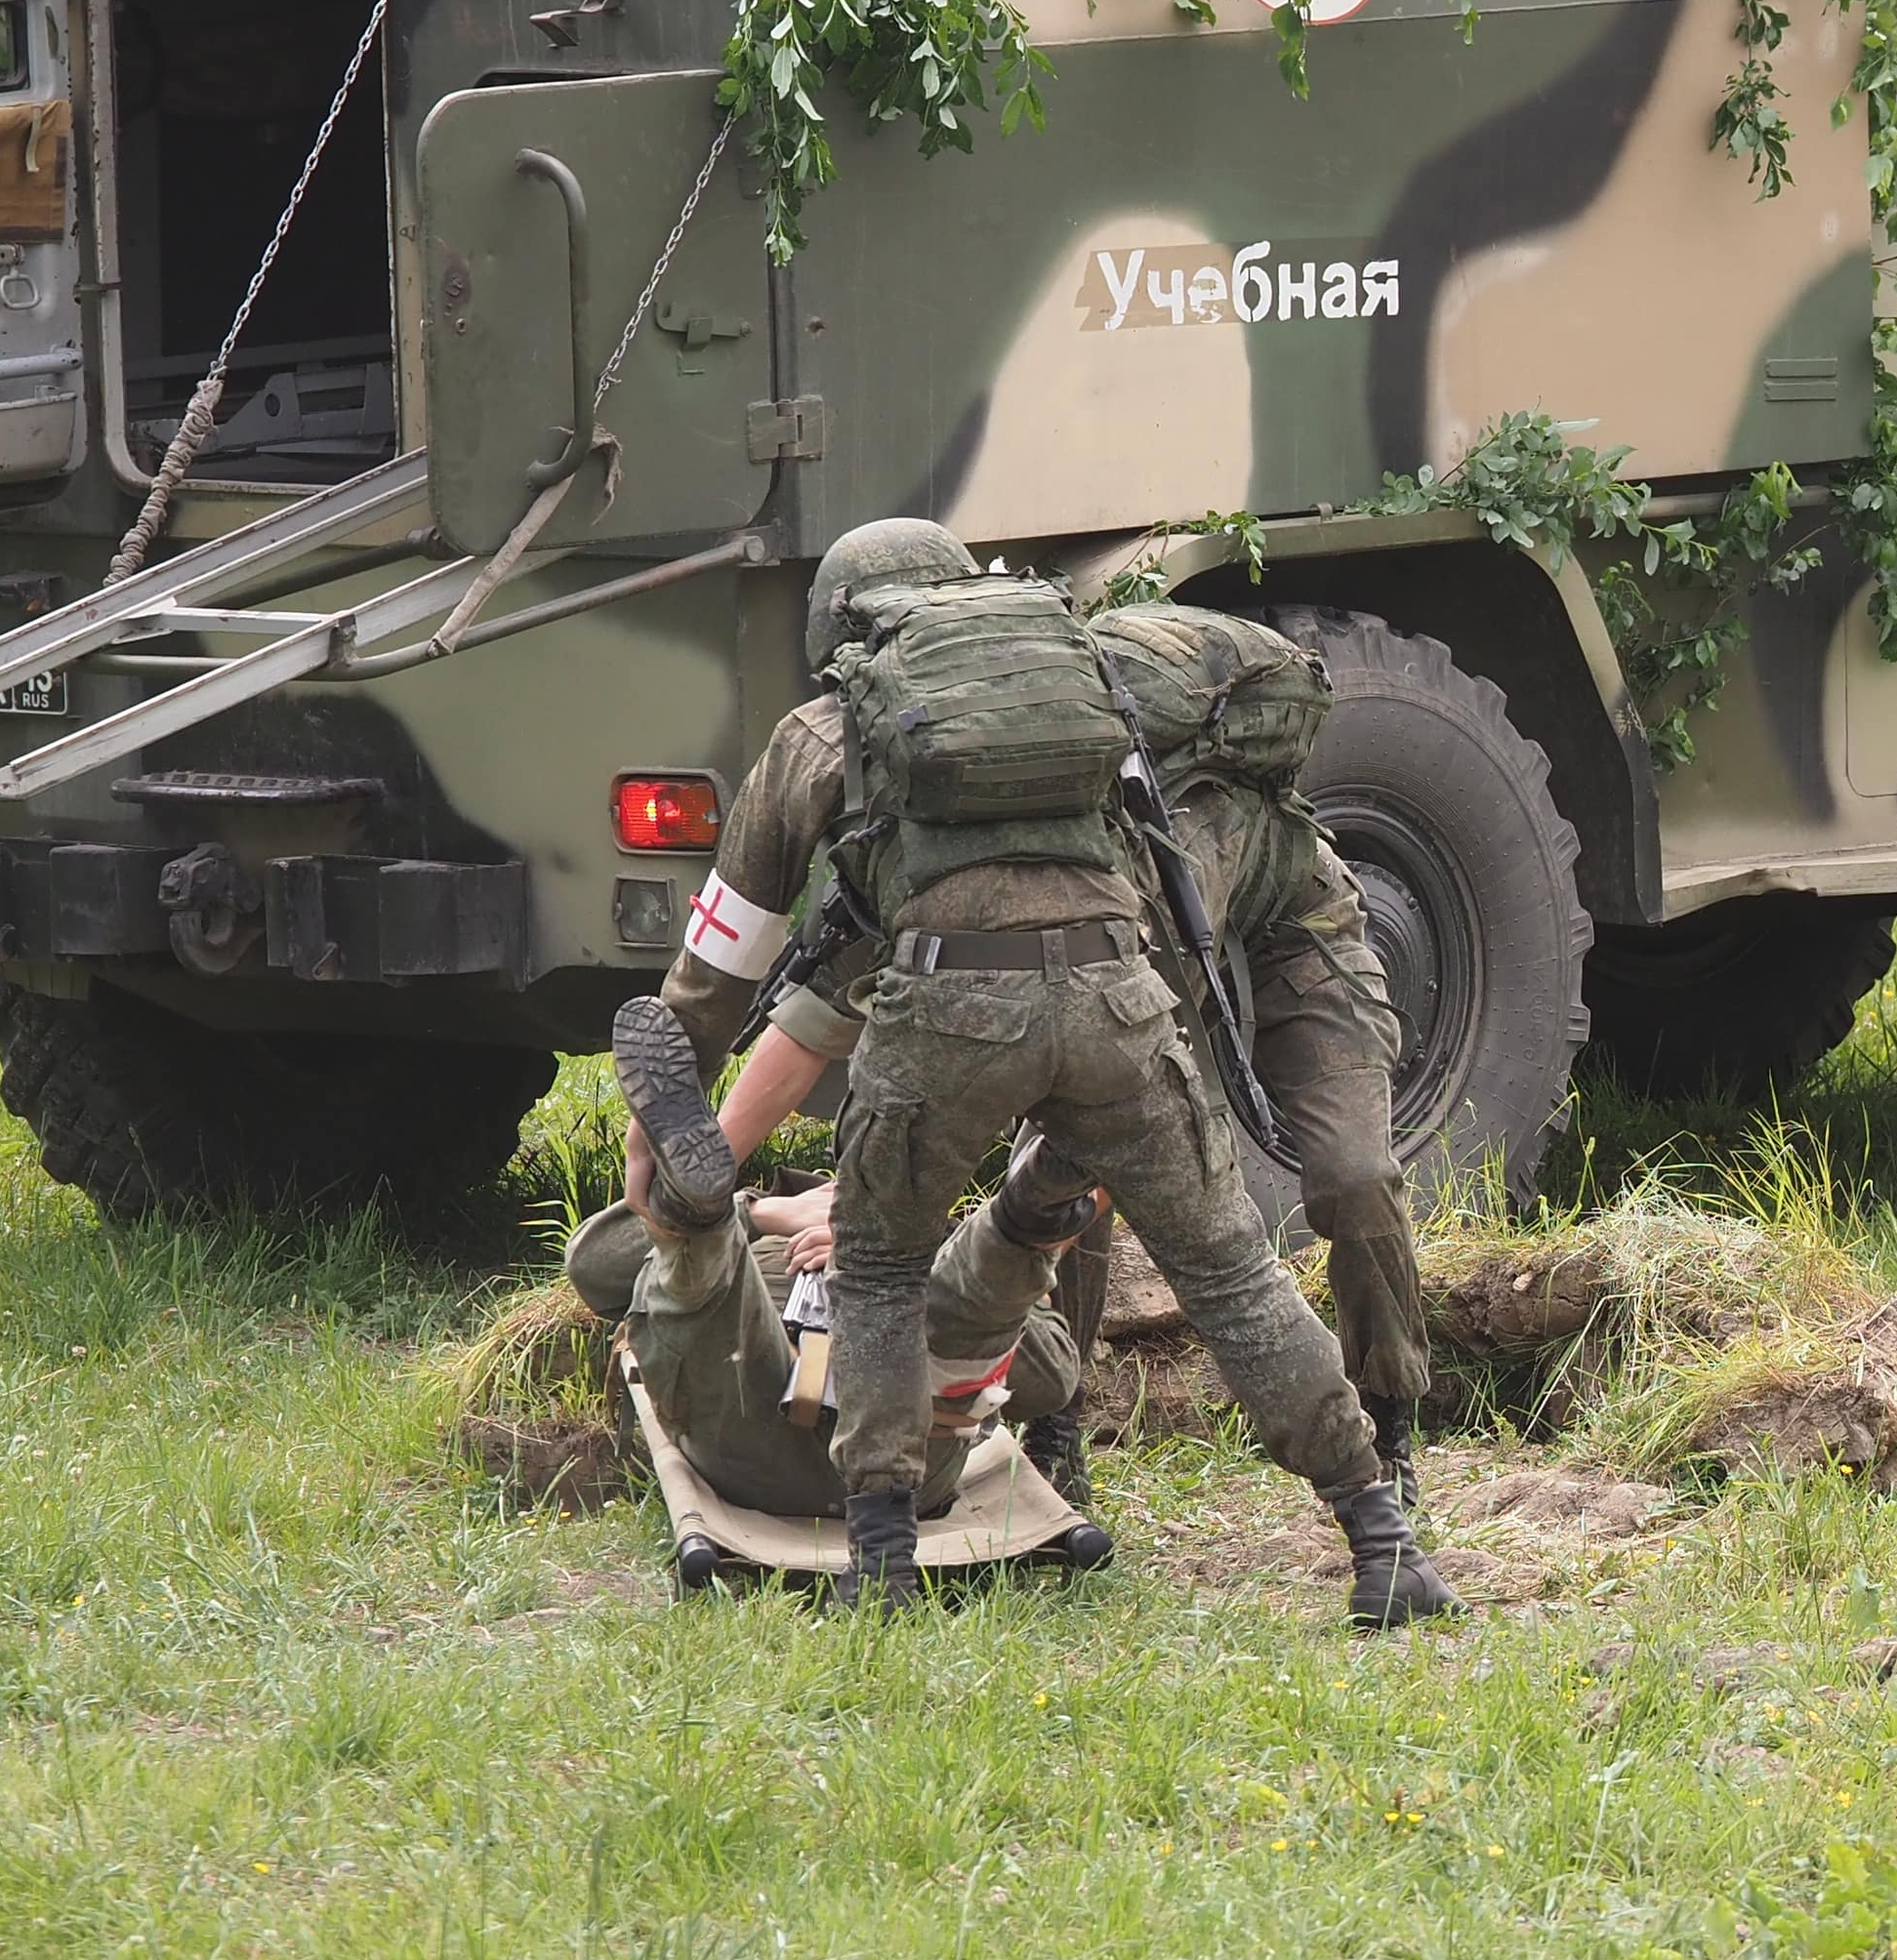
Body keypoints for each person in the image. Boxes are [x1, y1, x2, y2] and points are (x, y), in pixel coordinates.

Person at [610, 515, 1451, 1621]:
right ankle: (1380, 1538)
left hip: (946, 1009)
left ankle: (883, 1560)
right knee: (1235, 1280)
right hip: (1117, 993)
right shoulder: (1091, 688)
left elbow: (723, 967)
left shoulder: (823, 734)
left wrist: (664, 1130)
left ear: (840, 632)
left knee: (879, 1271)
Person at [564, 1174, 1093, 1542]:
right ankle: (700, 1229)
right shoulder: (767, 1223)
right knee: (701, 1275)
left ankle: (1031, 1214)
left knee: (976, 1295)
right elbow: (593, 1266)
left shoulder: (948, 1255)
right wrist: (759, 1213)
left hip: (908, 1451)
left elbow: (1050, 1381)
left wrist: (905, 1270)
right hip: (751, 1431)